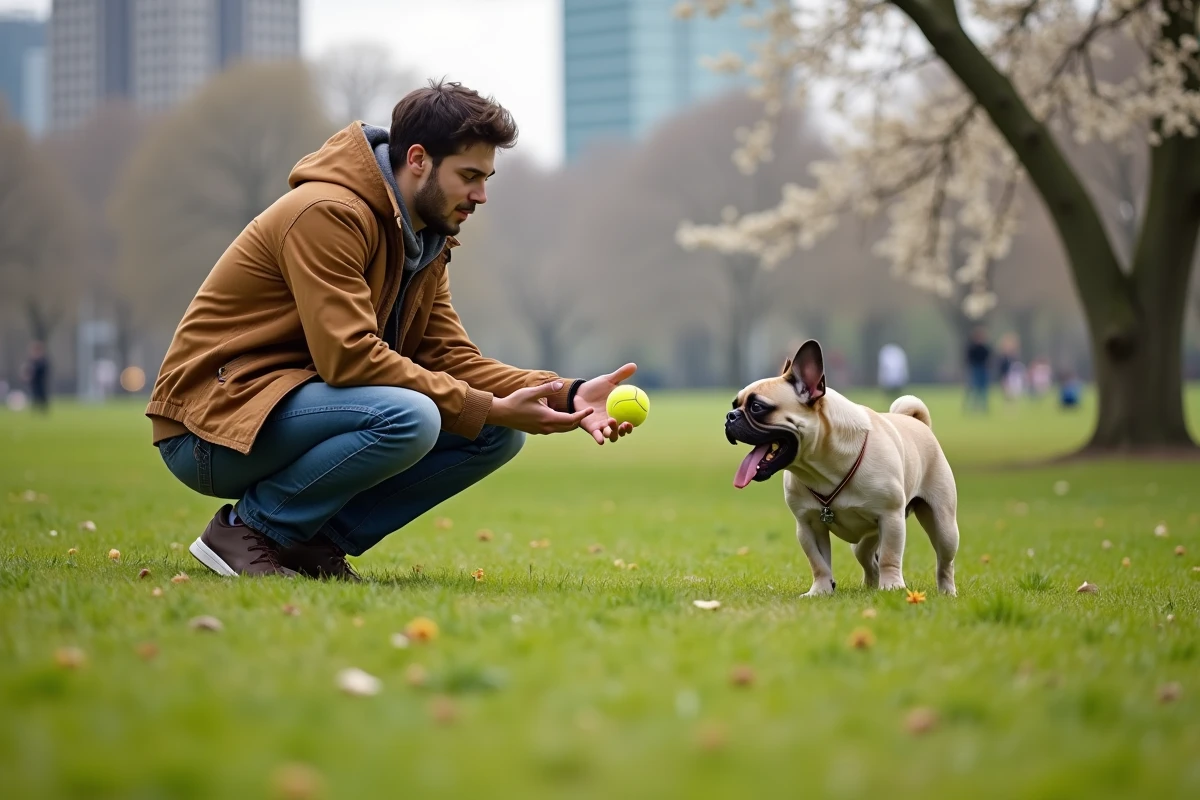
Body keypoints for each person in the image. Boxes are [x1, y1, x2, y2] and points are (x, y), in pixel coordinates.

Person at [146, 81, 636, 581]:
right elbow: (349, 358)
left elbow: (449, 357)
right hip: (213, 427)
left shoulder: (425, 239)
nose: (481, 195)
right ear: (419, 158)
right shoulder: (327, 214)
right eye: (469, 176)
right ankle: (247, 531)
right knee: (413, 417)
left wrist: (566, 393)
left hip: (287, 411)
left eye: (486, 178)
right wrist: (484, 404)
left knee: (496, 434)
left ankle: (312, 543)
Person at [963, 327, 991, 413]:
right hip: (975, 369)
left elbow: (989, 358)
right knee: (972, 388)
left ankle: (983, 407)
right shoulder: (972, 348)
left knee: (983, 389)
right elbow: (968, 358)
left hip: (983, 369)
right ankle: (972, 407)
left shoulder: (985, 348)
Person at [23, 341, 50, 413]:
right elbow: (28, 369)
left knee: (41, 394)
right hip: (33, 381)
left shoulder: (42, 360)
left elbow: (43, 369)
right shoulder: (31, 360)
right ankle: (35, 409)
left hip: (40, 380)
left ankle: (43, 409)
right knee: (35, 394)